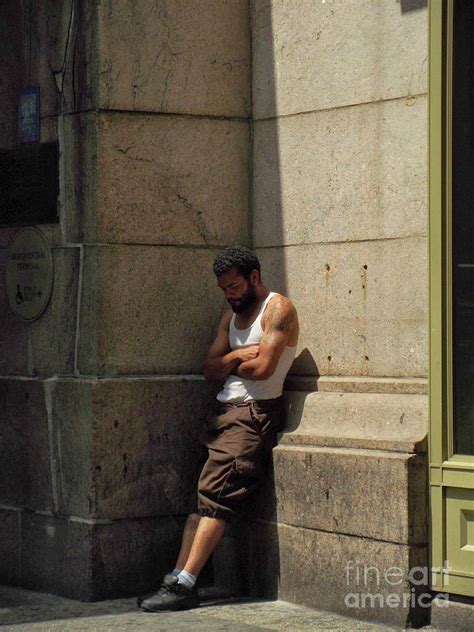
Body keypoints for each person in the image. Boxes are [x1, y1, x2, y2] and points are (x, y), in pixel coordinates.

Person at [139, 245, 299, 612]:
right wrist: (236, 356)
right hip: (223, 412)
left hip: (252, 414)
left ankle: (185, 584)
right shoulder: (230, 314)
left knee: (215, 498)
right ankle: (176, 577)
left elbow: (264, 370)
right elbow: (209, 368)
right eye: (223, 288)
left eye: (234, 286)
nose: (229, 294)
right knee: (202, 498)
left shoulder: (278, 309)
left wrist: (228, 362)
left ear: (254, 277)